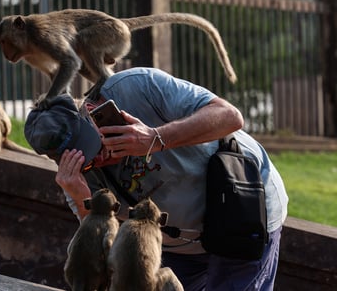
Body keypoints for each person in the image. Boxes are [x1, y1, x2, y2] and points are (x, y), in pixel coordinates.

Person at [24, 67, 288, 291]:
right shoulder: (77, 177)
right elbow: (103, 255)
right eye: (87, 158)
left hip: (243, 206)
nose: (100, 158)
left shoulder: (134, 87)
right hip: (174, 247)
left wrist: (154, 138)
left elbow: (229, 116)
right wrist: (85, 200)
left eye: (93, 143)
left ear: (90, 111)